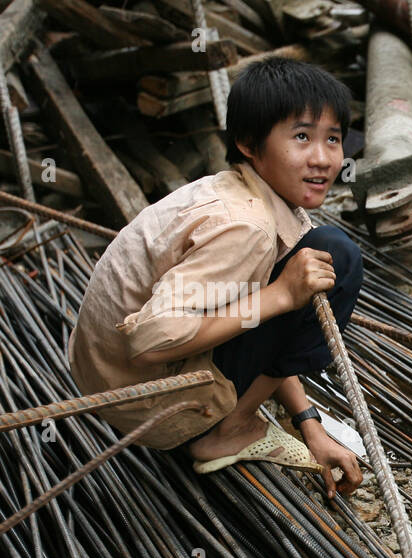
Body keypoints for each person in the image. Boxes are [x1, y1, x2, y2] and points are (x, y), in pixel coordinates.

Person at [69, 56, 363, 499]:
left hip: (110, 377)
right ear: (248, 142)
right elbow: (150, 340)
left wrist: (308, 423)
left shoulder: (240, 191)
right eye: (301, 136)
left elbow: (253, 319)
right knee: (337, 258)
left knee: (311, 263)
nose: (323, 159)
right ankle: (227, 429)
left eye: (333, 139)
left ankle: (238, 414)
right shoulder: (246, 227)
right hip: (145, 400)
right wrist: (280, 296)